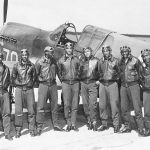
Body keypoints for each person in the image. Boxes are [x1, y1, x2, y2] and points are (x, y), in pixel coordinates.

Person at [35, 46, 63, 136]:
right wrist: (40, 81)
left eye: (53, 52)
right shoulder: (39, 62)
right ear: (46, 53)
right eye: (51, 52)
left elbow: (58, 72)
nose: (52, 54)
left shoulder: (54, 61)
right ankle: (39, 126)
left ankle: (56, 124)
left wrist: (64, 81)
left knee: (54, 106)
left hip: (53, 85)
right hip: (43, 85)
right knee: (40, 106)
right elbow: (35, 74)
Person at [119, 46, 146, 136]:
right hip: (123, 86)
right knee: (124, 108)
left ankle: (141, 128)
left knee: (137, 108)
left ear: (129, 51)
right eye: (122, 51)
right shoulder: (120, 61)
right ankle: (127, 126)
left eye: (126, 51)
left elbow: (141, 72)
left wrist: (142, 84)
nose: (124, 53)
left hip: (133, 85)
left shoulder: (135, 60)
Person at [11, 49, 36, 138]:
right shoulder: (16, 66)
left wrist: (29, 84)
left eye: (26, 55)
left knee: (31, 110)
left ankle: (32, 129)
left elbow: (34, 77)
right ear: (21, 56)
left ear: (28, 55)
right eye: (23, 55)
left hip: (29, 90)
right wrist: (18, 84)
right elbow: (13, 77)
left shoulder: (32, 66)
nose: (25, 56)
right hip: (19, 89)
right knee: (18, 111)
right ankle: (18, 130)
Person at [97, 45, 120, 133]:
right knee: (102, 105)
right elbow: (98, 72)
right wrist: (101, 80)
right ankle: (104, 124)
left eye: (107, 51)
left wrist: (114, 80)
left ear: (110, 51)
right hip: (102, 84)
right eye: (104, 51)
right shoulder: (100, 61)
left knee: (114, 105)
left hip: (112, 84)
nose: (105, 53)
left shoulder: (116, 61)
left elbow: (119, 72)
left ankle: (116, 125)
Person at [58, 42, 80, 132]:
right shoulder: (61, 60)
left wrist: (77, 78)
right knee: (66, 104)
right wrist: (63, 80)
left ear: (72, 49)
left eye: (70, 48)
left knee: (75, 104)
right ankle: (68, 123)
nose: (69, 50)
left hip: (75, 83)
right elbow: (59, 72)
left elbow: (80, 70)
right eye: (67, 48)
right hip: (66, 83)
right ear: (65, 49)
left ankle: (73, 123)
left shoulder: (77, 59)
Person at [80, 47, 99, 131]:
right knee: (85, 104)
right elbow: (78, 72)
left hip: (92, 83)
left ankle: (94, 121)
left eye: (88, 51)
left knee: (93, 103)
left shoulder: (96, 61)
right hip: (83, 83)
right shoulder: (81, 61)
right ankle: (89, 120)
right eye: (85, 51)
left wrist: (98, 80)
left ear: (91, 52)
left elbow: (101, 71)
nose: (87, 53)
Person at [0, 49, 13, 140]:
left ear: (2, 58)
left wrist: (9, 93)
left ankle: (7, 133)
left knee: (7, 113)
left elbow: (8, 81)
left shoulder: (6, 68)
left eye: (1, 56)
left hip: (4, 92)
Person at [140, 49, 150, 136]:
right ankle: (148, 128)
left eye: (147, 55)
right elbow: (140, 78)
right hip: (146, 91)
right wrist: (143, 85)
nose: (146, 57)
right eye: (144, 56)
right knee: (147, 111)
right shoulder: (142, 67)